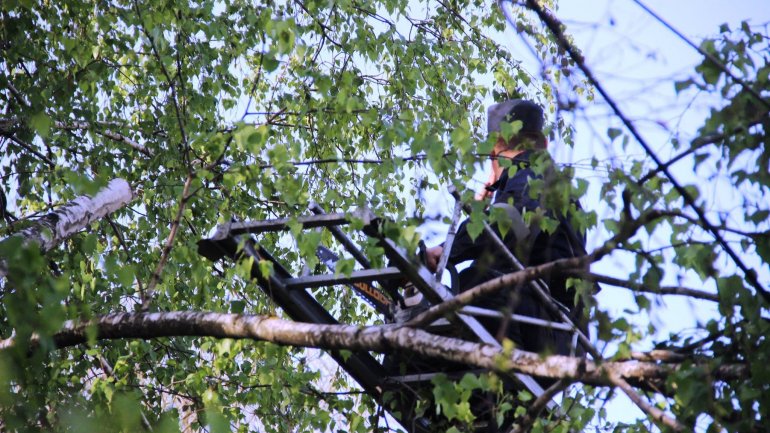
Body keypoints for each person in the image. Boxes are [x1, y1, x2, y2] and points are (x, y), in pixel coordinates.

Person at [425, 99, 589, 356]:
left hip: (541, 324)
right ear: (544, 143)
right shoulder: (556, 185)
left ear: (494, 148)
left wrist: (445, 250)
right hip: (562, 338)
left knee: (473, 282)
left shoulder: (529, 170)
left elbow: (508, 221)